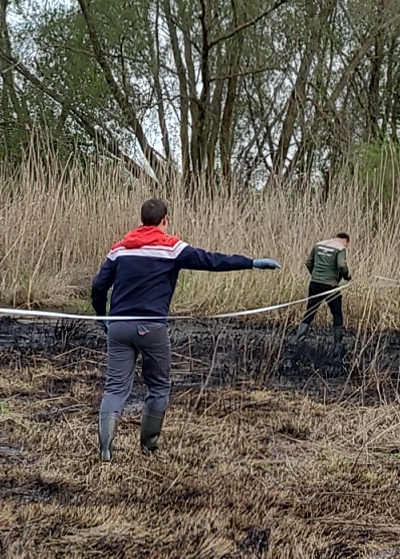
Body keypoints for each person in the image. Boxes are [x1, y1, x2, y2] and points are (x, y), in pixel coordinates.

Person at [90, 197, 280, 460]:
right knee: (158, 387)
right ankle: (149, 447)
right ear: (165, 221)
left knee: (115, 388)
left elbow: (99, 286)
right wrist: (251, 262)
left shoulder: (119, 249)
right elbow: (212, 261)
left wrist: (102, 317)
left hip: (118, 328)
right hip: (152, 329)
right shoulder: (172, 248)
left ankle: (105, 449)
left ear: (141, 219)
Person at [293, 232, 352, 342]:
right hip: (331, 286)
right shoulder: (340, 248)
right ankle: (338, 343)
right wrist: (346, 276)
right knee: (337, 313)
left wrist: (315, 275)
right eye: (346, 244)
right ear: (345, 241)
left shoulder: (318, 244)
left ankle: (299, 339)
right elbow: (342, 265)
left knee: (310, 311)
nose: (346, 246)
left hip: (315, 283)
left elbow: (308, 262)